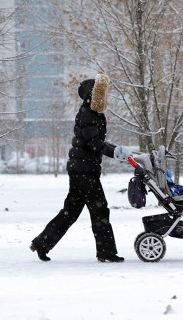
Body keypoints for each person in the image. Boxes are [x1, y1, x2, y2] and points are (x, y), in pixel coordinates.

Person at [30, 74, 133, 262]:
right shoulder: (88, 114)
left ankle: (41, 243)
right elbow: (94, 142)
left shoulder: (92, 113)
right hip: (85, 171)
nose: (103, 98)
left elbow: (96, 141)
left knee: (70, 211)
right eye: (99, 94)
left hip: (82, 169)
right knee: (100, 210)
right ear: (91, 96)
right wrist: (115, 152)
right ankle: (106, 252)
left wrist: (115, 150)